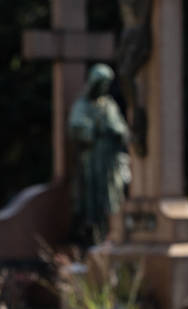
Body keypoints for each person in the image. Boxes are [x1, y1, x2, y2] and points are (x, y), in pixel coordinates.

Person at [68, 63, 131, 245]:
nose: (104, 87)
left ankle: (112, 233)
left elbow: (121, 127)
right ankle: (94, 234)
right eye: (101, 83)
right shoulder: (82, 104)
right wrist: (95, 129)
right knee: (93, 199)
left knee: (113, 197)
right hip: (93, 159)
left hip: (110, 161)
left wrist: (116, 131)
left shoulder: (109, 105)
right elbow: (76, 127)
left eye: (106, 83)